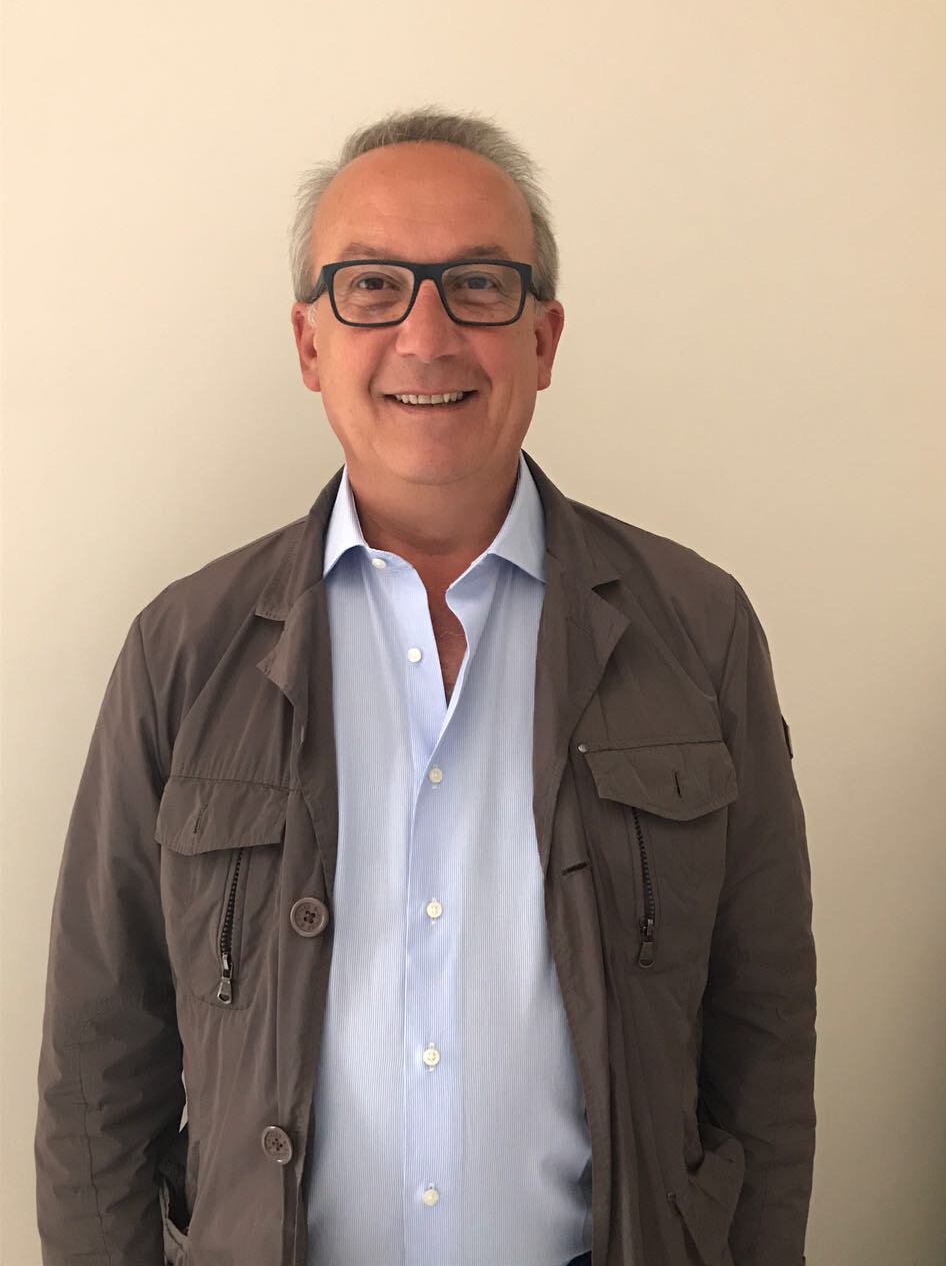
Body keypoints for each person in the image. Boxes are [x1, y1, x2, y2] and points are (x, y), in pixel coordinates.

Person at [34, 106, 816, 1266]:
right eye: (372, 287)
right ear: (310, 344)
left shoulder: (697, 632)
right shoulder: (184, 649)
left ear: (545, 337)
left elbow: (762, 1039)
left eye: (479, 286)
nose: (427, 334)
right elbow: (101, 1059)